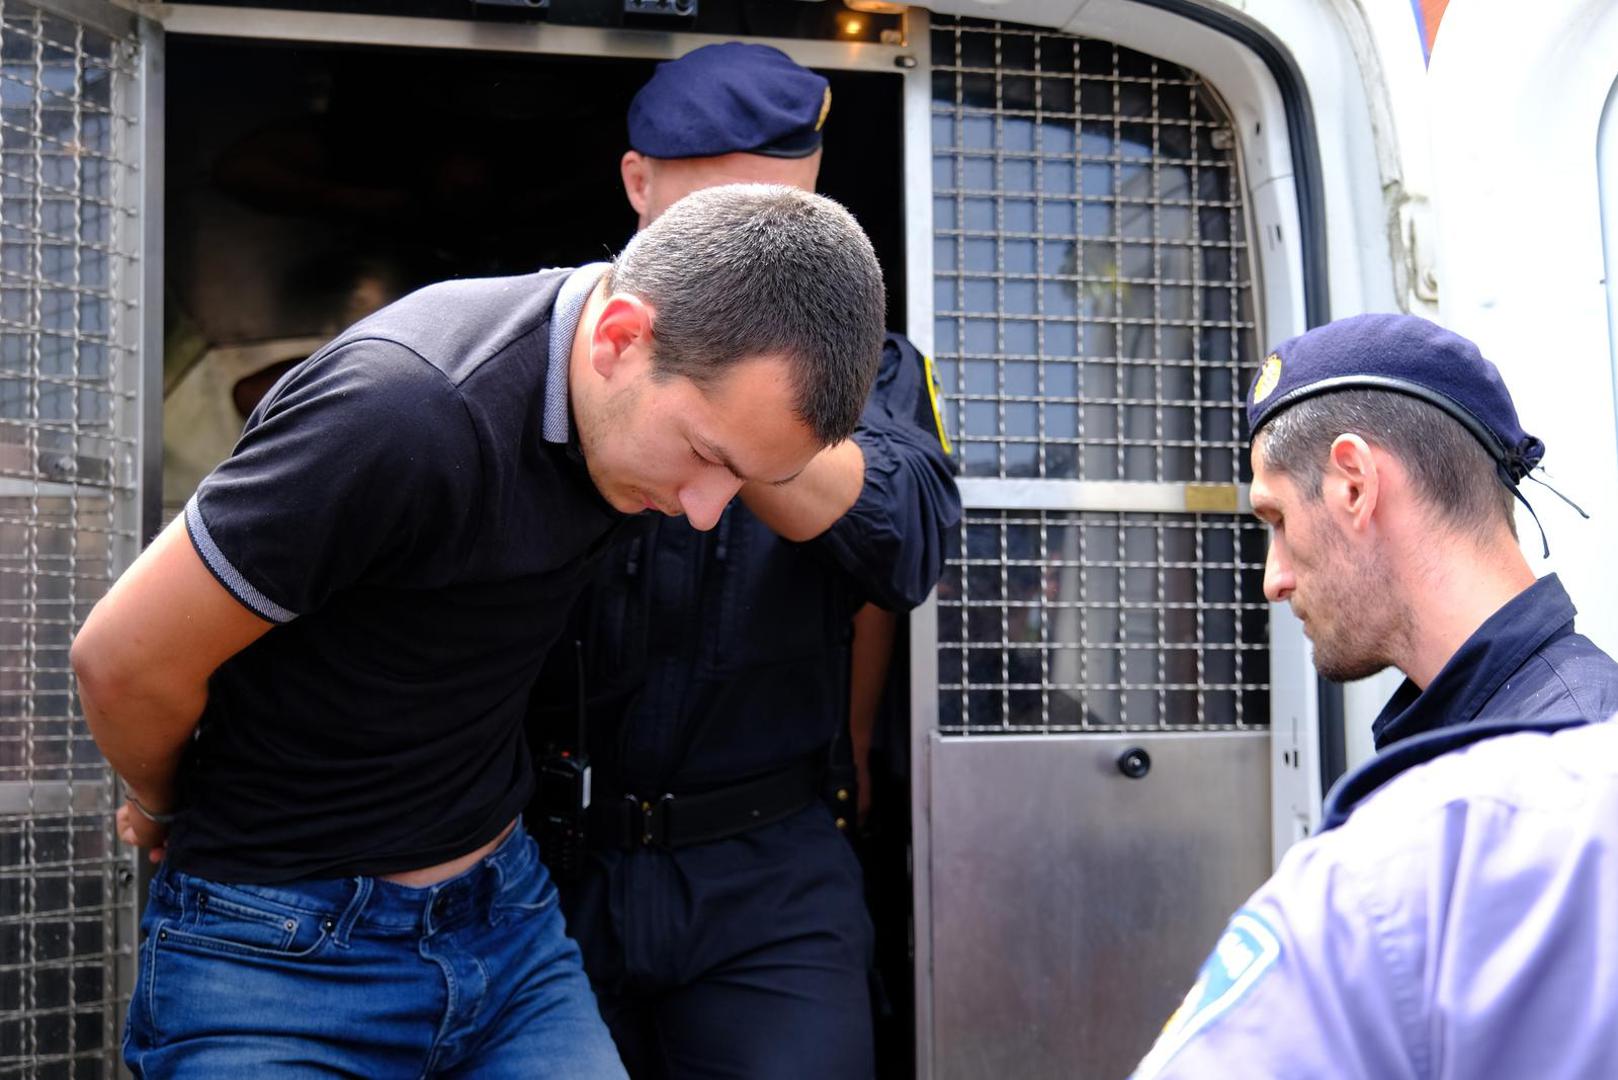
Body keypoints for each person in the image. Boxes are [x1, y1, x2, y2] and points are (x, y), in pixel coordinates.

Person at [69, 182, 888, 1077]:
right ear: (619, 339)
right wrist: (160, 803)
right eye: (707, 456)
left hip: (508, 933)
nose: (703, 511)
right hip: (271, 957)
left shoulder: (632, 391)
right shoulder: (403, 407)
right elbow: (121, 660)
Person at [526, 43, 960, 1079]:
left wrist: (747, 407)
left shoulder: (873, 371)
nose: (762, 258)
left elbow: (906, 548)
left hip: (767, 877)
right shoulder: (551, 350)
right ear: (639, 185)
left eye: (789, 223)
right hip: (541, 868)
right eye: (727, 215)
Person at [1130, 313, 1618, 1079]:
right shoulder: (1544, 730)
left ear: (1354, 483)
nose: (1273, 576)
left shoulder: (1561, 770)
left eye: (1278, 520)